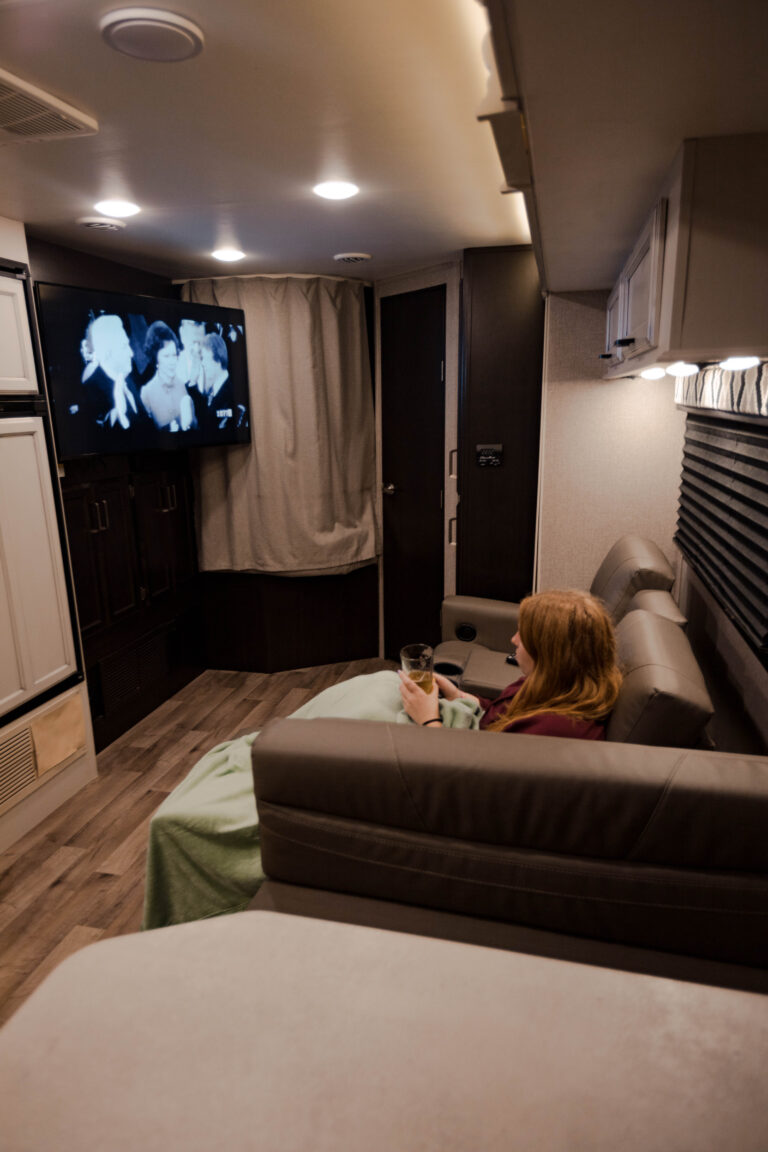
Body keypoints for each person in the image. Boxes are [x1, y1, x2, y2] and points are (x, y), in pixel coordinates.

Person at [398, 589, 622, 739]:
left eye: (523, 636)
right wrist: (459, 696)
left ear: (547, 653)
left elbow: (472, 779)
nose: (513, 640)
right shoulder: (559, 686)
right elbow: (506, 712)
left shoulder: (550, 731)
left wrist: (428, 720)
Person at [80, 313, 144, 430]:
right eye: (124, 346)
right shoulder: (92, 388)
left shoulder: (129, 373)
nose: (131, 353)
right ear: (108, 352)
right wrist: (119, 416)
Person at [140, 321, 196, 432]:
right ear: (156, 358)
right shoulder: (146, 393)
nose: (172, 361)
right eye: (166, 356)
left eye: (174, 355)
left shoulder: (181, 384)